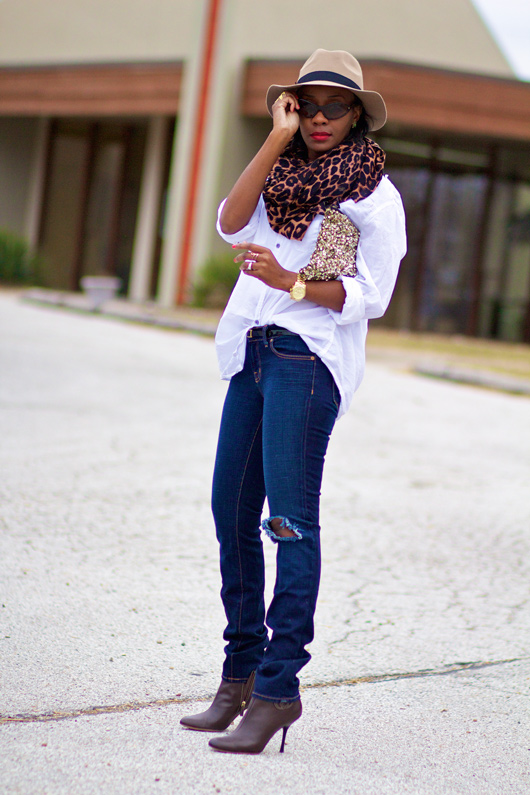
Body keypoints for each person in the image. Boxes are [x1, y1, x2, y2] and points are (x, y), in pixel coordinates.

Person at [180, 49, 406, 754]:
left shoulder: (375, 196)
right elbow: (228, 220)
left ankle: (279, 690)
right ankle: (238, 677)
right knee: (230, 510)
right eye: (305, 105)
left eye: (333, 107)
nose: (318, 117)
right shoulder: (281, 173)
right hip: (250, 347)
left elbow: (371, 294)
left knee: (288, 522)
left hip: (306, 360)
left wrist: (291, 280)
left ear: (357, 116)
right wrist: (273, 139)